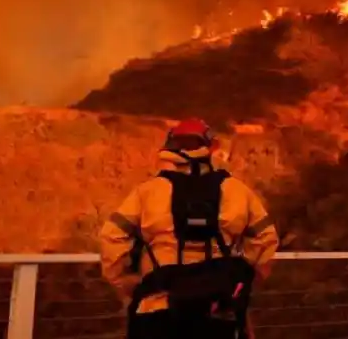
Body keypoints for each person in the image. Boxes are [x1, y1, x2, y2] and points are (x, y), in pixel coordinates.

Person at [100, 118, 279, 339]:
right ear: (209, 148)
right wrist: (242, 280)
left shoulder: (147, 192)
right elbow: (266, 239)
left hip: (157, 306)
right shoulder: (237, 191)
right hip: (218, 308)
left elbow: (112, 236)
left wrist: (126, 283)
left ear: (170, 147)